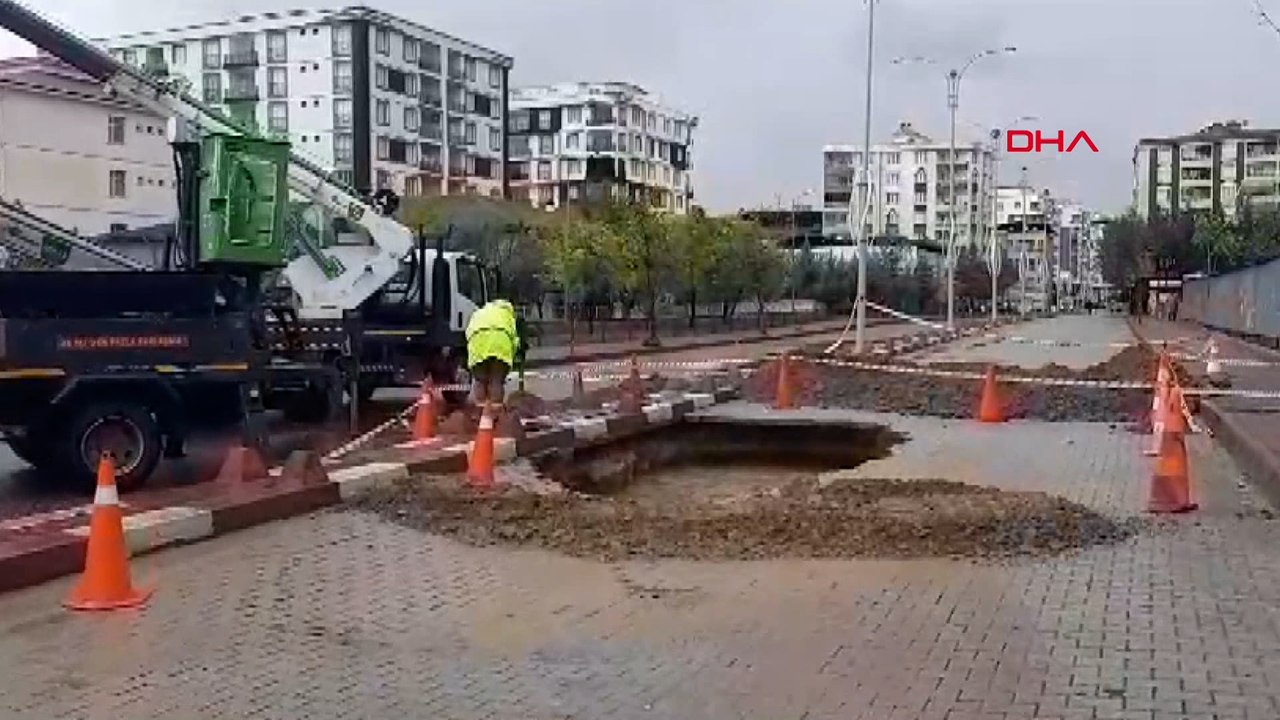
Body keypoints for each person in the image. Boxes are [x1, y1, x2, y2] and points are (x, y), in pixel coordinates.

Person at [465, 299, 522, 408]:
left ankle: (481, 411)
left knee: (480, 380)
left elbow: (468, 333)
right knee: (496, 380)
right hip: (500, 346)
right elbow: (514, 341)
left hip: (477, 344)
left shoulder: (479, 312)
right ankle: (495, 411)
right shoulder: (507, 315)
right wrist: (511, 358)